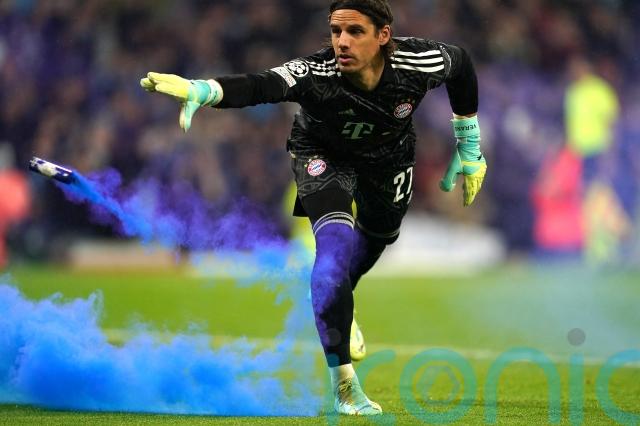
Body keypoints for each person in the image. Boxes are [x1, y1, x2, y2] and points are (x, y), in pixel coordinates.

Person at [141, 0, 486, 416]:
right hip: (322, 156)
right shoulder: (316, 72)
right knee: (333, 252)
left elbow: (461, 65)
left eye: (354, 31)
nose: (342, 42)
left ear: (383, 36)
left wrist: (469, 145)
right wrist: (205, 90)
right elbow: (262, 85)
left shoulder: (417, 61)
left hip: (389, 159)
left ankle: (338, 296)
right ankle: (345, 385)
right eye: (336, 31)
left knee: (379, 238)